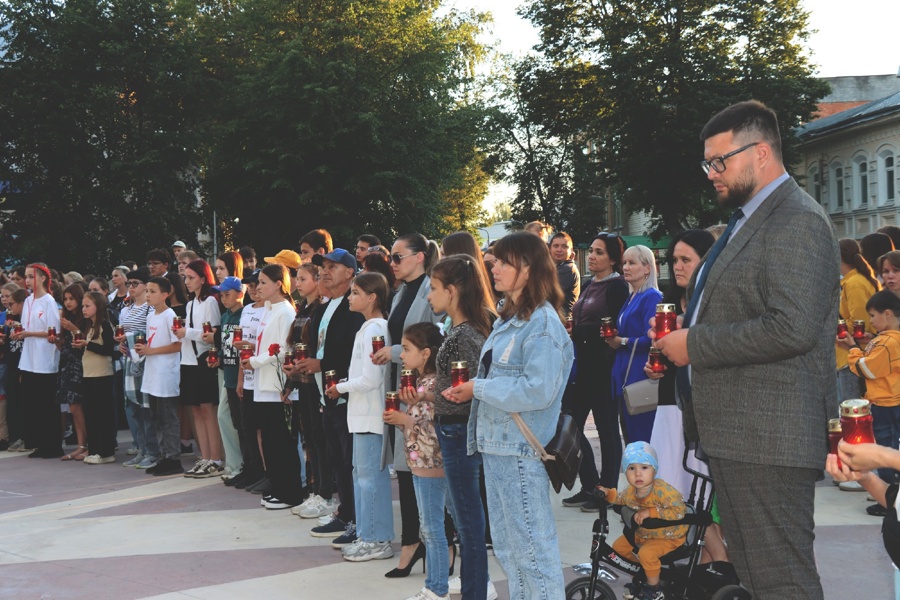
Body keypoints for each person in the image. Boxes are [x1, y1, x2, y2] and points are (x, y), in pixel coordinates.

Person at [654, 100, 839, 600]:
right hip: (740, 436)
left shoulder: (796, 219)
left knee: (784, 581)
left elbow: (792, 328)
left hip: (770, 438)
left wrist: (694, 343)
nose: (712, 173)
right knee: (760, 579)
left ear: (760, 152)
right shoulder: (749, 219)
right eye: (707, 163)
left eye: (721, 161)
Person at [446, 231, 573, 600]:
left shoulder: (542, 324)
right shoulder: (510, 318)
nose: (494, 267)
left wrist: (477, 388)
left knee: (533, 553)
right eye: (494, 260)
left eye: (503, 262)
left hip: (521, 454)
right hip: (500, 449)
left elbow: (538, 390)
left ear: (528, 268)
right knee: (510, 551)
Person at [425, 254, 498, 600]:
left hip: (459, 431)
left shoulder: (466, 333)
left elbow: (480, 383)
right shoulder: (460, 330)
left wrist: (449, 394)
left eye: (434, 287)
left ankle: (474, 593)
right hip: (453, 429)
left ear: (452, 291)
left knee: (468, 523)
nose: (429, 295)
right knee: (466, 521)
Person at [371, 233, 443, 577]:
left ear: (419, 257)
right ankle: (414, 539)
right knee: (403, 466)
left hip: (422, 392)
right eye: (391, 258)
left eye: (398, 257)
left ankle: (418, 542)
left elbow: (433, 341)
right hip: (400, 386)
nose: (392, 263)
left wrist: (396, 352)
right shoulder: (401, 292)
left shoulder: (432, 289)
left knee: (414, 464)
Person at [325, 272, 394, 562]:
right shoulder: (367, 327)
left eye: (355, 293)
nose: (350, 297)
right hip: (361, 416)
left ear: (372, 297)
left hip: (370, 416)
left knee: (370, 480)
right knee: (361, 477)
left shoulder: (376, 327)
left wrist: (339, 387)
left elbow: (371, 379)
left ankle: (378, 540)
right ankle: (367, 535)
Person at [643, 230, 715, 499]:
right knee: (668, 490)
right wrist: (653, 367)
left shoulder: (712, 303)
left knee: (701, 496)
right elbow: (658, 350)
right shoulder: (667, 302)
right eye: (674, 260)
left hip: (700, 410)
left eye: (686, 259)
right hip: (667, 405)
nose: (677, 267)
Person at [561, 233, 630, 512]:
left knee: (607, 430)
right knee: (573, 427)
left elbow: (613, 327)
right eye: (591, 250)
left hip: (603, 367)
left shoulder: (617, 287)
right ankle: (589, 485)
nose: (592, 256)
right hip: (582, 368)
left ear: (613, 259)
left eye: (599, 252)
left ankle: (607, 489)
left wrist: (580, 330)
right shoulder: (589, 284)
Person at [301, 248, 365, 548]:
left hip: (345, 395)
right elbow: (322, 347)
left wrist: (322, 365)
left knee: (349, 460)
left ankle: (357, 519)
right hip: (326, 395)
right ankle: (345, 512)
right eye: (323, 267)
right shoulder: (325, 307)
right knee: (336, 459)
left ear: (350, 272)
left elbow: (352, 353)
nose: (325, 271)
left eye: (333, 266)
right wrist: (308, 365)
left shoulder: (353, 307)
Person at [383, 322, 449, 600]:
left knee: (433, 528)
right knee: (430, 526)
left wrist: (404, 420)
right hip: (421, 465)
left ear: (425, 354)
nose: (401, 354)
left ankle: (437, 587)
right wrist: (402, 421)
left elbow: (432, 430)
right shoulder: (421, 382)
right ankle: (436, 584)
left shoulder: (432, 384)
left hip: (431, 465)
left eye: (407, 349)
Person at [242, 264, 304, 509]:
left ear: (279, 284)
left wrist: (255, 361)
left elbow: (283, 350)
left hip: (277, 384)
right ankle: (278, 487)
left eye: (264, 282)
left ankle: (290, 493)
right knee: (270, 440)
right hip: (263, 383)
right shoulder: (269, 309)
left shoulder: (285, 311)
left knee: (282, 441)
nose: (258, 287)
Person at [597, 442, 688, 600]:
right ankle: (646, 574)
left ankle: (654, 589)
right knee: (618, 549)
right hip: (644, 534)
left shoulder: (662, 490)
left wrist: (651, 512)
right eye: (632, 468)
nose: (638, 474)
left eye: (644, 467)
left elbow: (680, 511)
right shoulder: (630, 491)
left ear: (654, 470)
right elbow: (619, 498)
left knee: (646, 554)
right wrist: (606, 493)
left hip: (668, 536)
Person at [848, 290, 900, 516]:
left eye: (872, 315)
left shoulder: (887, 342)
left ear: (887, 314)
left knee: (884, 450)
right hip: (893, 400)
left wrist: (852, 350)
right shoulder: (891, 339)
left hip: (885, 403)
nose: (869, 321)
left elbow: (867, 369)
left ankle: (888, 501)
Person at [174, 260, 224, 478]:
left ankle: (216, 458)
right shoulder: (190, 303)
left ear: (203, 278)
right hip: (189, 361)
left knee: (207, 410)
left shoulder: (210, 301)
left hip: (203, 359)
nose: (187, 281)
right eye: (185, 277)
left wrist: (188, 333)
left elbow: (211, 334)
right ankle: (205, 456)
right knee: (195, 410)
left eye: (192, 277)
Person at [608, 245, 662, 444]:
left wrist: (621, 341)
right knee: (631, 437)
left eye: (632, 263)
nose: (626, 267)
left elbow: (653, 338)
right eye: (624, 263)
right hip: (625, 374)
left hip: (640, 375)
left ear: (647, 268)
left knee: (641, 438)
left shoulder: (652, 297)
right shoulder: (632, 296)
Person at [14, 264, 62, 458]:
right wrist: (16, 329)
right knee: (33, 403)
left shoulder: (48, 301)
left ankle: (53, 444)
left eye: (31, 277)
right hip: (29, 358)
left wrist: (28, 333)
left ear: (42, 278)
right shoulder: (28, 301)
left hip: (44, 358)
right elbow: (25, 326)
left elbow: (53, 331)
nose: (27, 281)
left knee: (47, 403)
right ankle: (40, 443)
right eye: (25, 277)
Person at [137, 276, 184, 476]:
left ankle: (173, 458)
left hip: (165, 375)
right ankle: (163, 456)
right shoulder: (150, 316)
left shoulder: (170, 315)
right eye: (147, 290)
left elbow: (177, 344)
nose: (148, 295)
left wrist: (151, 351)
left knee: (168, 418)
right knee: (156, 417)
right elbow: (152, 342)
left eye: (153, 291)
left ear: (165, 294)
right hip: (152, 373)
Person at [117, 267, 159, 469]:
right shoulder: (129, 308)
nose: (131, 287)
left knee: (146, 409)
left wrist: (129, 338)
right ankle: (141, 449)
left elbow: (148, 333)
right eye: (129, 284)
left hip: (144, 362)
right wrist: (122, 344)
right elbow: (126, 332)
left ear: (145, 286)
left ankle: (153, 452)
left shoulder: (149, 309)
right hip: (130, 361)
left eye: (135, 283)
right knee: (133, 409)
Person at [834, 239, 879, 408]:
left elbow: (861, 323)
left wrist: (834, 327)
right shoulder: (851, 281)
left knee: (854, 411)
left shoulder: (854, 284)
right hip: (849, 356)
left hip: (852, 357)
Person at [212, 276, 247, 485]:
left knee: (239, 423)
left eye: (227, 294)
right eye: (221, 295)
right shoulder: (225, 317)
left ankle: (241, 465)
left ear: (240, 294)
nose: (223, 298)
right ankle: (235, 464)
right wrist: (218, 359)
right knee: (226, 418)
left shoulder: (245, 315)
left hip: (240, 376)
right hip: (228, 374)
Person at [76, 291, 117, 464]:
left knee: (103, 414)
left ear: (98, 307)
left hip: (102, 375)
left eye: (87, 306)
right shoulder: (89, 326)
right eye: (83, 306)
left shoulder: (105, 325)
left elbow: (109, 350)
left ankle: (106, 451)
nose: (84, 309)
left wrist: (88, 344)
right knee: (91, 413)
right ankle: (94, 449)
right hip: (89, 374)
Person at [57, 284, 87, 461]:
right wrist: (57, 341)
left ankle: (86, 444)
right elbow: (65, 344)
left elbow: (86, 338)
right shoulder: (67, 318)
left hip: (81, 364)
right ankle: (81, 444)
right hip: (68, 363)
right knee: (72, 406)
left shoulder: (84, 317)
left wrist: (72, 328)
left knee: (78, 405)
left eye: (71, 299)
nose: (68, 303)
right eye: (65, 299)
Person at [549, 232, 580, 317]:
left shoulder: (567, 269)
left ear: (571, 251)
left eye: (564, 246)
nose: (559, 250)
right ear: (550, 249)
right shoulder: (558, 267)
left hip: (562, 322)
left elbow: (545, 293)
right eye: (556, 246)